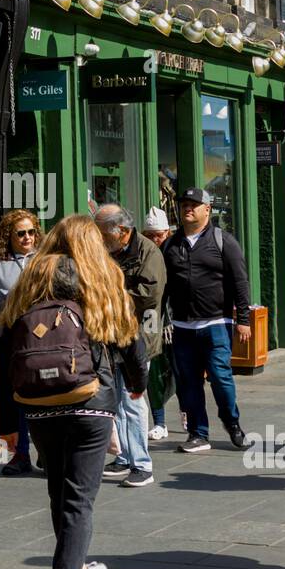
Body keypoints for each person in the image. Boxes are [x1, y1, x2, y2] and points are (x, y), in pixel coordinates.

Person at [0, 215, 149, 569]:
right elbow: (131, 338)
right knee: (79, 498)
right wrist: (137, 382)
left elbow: (7, 345)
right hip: (90, 397)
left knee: (59, 493)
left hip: (40, 401)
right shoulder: (100, 276)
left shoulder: (31, 280)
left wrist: (5, 416)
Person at [161, 187, 254, 453]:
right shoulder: (170, 245)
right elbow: (163, 286)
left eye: (194, 204)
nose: (188, 208)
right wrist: (156, 318)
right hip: (182, 327)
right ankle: (197, 433)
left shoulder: (223, 241)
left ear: (207, 209)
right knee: (188, 382)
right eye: (184, 205)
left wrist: (244, 319)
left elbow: (240, 282)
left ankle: (232, 423)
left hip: (215, 324)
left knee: (221, 378)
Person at [96, 204, 167, 488]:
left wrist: (110, 297)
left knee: (133, 398)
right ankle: (125, 457)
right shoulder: (108, 251)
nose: (99, 238)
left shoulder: (148, 251)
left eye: (103, 233)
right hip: (112, 334)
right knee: (117, 400)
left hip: (138, 335)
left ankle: (142, 464)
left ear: (122, 231)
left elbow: (149, 294)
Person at [0, 210, 42, 475]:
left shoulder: (44, 259)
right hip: (7, 337)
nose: (27, 237)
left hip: (39, 337)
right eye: (21, 233)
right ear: (9, 236)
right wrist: (19, 295)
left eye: (31, 231)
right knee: (7, 397)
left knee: (39, 396)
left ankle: (45, 453)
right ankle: (11, 456)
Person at [142, 207, 178, 440]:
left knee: (180, 371)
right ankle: (160, 421)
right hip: (149, 320)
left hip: (174, 321)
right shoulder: (140, 254)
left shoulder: (175, 252)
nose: (156, 239)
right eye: (151, 235)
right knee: (153, 373)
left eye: (160, 235)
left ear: (167, 233)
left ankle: (188, 414)